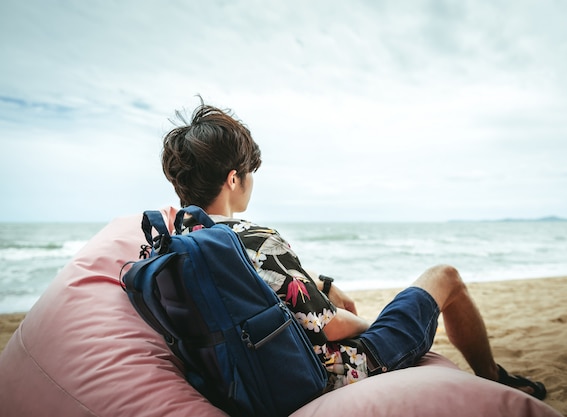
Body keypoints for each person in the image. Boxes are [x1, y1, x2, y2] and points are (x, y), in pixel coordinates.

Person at [160, 100, 547, 400]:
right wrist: (373, 326)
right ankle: (494, 379)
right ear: (233, 179)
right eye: (248, 174)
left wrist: (322, 285)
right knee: (445, 277)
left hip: (243, 381)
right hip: (335, 372)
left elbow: (258, 290)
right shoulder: (255, 238)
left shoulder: (176, 248)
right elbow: (331, 325)